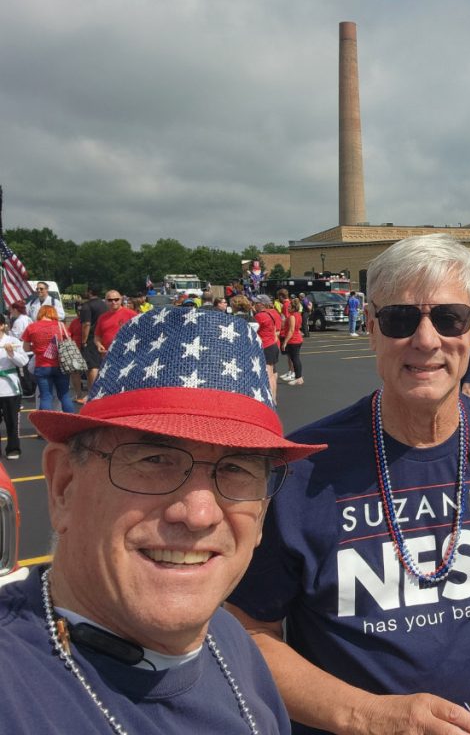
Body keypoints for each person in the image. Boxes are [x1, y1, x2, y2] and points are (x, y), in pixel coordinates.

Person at [227, 234, 470, 735]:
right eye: (400, 319)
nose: (427, 340)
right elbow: (248, 630)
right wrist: (370, 717)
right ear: (371, 328)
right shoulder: (303, 468)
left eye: (449, 318)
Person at [0, 307, 325, 733]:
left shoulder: (229, 639)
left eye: (236, 469)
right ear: (64, 485)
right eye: (155, 460)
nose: (198, 515)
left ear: (263, 511)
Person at [22, 305, 76, 413]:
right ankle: (72, 423)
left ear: (40, 314)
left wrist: (37, 348)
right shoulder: (61, 325)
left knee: (46, 397)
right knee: (64, 395)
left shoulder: (32, 327)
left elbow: (26, 347)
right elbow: (68, 341)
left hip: (42, 366)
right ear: (53, 314)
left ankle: (47, 426)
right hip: (61, 365)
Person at [0, 314, 29, 459]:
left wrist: (11, 353)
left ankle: (13, 449)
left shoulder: (13, 341)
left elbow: (23, 361)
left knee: (12, 421)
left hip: (9, 389)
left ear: (2, 326)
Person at [253, 294, 282, 403]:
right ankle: (274, 397)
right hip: (274, 344)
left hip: (265, 345)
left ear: (262, 304)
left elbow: (254, 329)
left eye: (256, 303)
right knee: (273, 371)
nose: (254, 305)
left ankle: (271, 398)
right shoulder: (274, 313)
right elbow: (278, 328)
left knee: (268, 373)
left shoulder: (260, 316)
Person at [78, 286, 109, 390]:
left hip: (92, 337)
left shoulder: (86, 306)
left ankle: (93, 391)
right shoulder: (105, 304)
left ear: (90, 292)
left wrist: (83, 340)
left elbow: (86, 324)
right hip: (104, 335)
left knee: (92, 366)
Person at [94, 290, 137, 356]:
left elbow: (140, 333)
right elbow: (97, 336)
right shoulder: (102, 318)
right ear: (105, 301)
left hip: (127, 354)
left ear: (121, 300)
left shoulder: (131, 314)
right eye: (110, 300)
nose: (113, 302)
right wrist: (99, 345)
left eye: (116, 299)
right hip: (108, 355)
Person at [280, 297, 304, 387]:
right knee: (294, 358)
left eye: (290, 307)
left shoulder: (292, 316)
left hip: (294, 340)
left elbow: (291, 330)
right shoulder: (298, 315)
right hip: (296, 339)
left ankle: (299, 378)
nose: (288, 308)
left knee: (295, 359)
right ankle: (298, 377)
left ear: (293, 308)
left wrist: (285, 342)